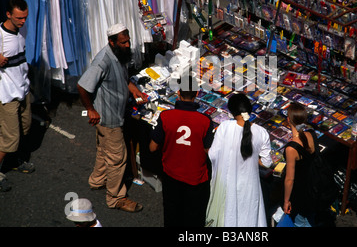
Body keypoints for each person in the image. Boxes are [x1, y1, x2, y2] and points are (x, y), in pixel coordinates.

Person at [77, 23, 147, 212]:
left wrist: (131, 88)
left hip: (113, 115)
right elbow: (82, 86)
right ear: (112, 42)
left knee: (104, 150)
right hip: (108, 118)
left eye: (128, 41)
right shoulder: (103, 60)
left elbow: (122, 76)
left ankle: (97, 180)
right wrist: (90, 109)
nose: (127, 45)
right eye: (123, 42)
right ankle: (116, 198)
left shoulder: (120, 54)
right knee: (118, 157)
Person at [149, 75, 214, 227]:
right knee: (194, 219)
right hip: (196, 180)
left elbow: (152, 147)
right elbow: (208, 151)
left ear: (178, 93)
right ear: (197, 94)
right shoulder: (205, 121)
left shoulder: (166, 116)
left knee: (172, 216)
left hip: (171, 176)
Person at [206, 92, 273, 227]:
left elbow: (213, 155)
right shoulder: (261, 132)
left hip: (228, 185)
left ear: (232, 111)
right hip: (251, 187)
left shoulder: (225, 127)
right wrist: (255, 159)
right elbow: (267, 163)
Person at [0, 0, 34, 192]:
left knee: (25, 128)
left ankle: (14, 161)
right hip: (7, 95)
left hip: (23, 89)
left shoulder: (23, 30)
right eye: (19, 18)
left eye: (25, 17)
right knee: (9, 139)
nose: (23, 22)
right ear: (8, 15)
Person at [283, 102, 323, 227]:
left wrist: (286, 201)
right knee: (310, 218)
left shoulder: (291, 148)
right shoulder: (311, 134)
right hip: (315, 186)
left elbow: (290, 179)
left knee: (301, 222)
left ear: (288, 120)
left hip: (301, 193)